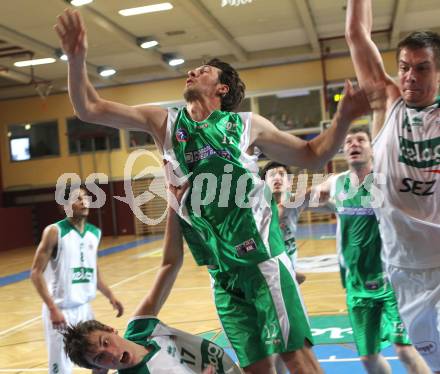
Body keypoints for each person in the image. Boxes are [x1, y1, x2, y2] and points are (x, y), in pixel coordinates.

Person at [55, 9, 384, 373]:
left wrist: (344, 118)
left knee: (297, 359)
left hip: (263, 263)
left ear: (222, 88)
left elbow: (312, 155)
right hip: (223, 278)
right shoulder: (163, 122)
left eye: (204, 70)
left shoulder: (246, 126)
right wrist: (77, 59)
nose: (193, 71)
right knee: (255, 369)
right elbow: (89, 108)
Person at [346, 1, 440, 371]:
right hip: (402, 265)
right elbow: (356, 34)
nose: (410, 77)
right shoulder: (388, 104)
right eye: (404, 68)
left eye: (422, 68)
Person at [62, 190, 241, 374]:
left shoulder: (140, 327)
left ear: (110, 329)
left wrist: (172, 206)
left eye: (105, 343)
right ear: (99, 367)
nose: (112, 354)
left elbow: (169, 264)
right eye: (101, 358)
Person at [313, 126, 430, 373]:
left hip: (392, 280)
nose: (354, 144)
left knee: (405, 350)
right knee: (368, 358)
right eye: (348, 141)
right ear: (344, 151)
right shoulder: (337, 183)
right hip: (356, 283)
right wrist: (317, 195)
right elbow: (321, 203)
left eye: (361, 140)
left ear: (372, 148)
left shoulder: (388, 180)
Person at [30, 185, 124, 374]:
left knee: (101, 357)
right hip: (60, 311)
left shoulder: (94, 233)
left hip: (84, 309)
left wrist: (111, 296)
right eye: (77, 198)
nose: (84, 201)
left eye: (86, 197)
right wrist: (52, 308)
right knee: (61, 366)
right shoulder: (54, 232)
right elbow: (35, 273)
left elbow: (94, 272)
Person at [261, 161, 307, 284]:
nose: (277, 178)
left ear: (289, 182)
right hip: (267, 269)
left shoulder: (295, 202)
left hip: (290, 262)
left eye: (282, 174)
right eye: (272, 175)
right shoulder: (257, 207)